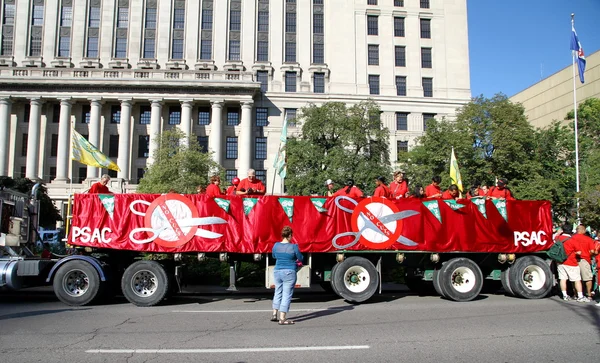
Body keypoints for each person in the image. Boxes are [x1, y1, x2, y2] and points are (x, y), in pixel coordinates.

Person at [271, 226, 303, 325]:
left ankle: (274, 314)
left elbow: (274, 256)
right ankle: (282, 318)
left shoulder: (276, 245)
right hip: (289, 272)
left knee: (278, 292)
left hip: (277, 271)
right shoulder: (294, 247)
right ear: (289, 235)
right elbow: (300, 258)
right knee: (286, 295)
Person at [555, 224, 589, 303]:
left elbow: (555, 236)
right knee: (577, 280)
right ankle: (580, 296)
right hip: (571, 262)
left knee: (563, 279)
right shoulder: (572, 240)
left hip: (560, 262)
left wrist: (559, 232)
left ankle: (565, 295)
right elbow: (579, 252)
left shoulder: (558, 238)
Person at [571, 224, 597, 299]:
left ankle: (576, 294)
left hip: (573, 260)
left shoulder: (572, 238)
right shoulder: (588, 239)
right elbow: (592, 251)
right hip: (584, 260)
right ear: (583, 230)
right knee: (587, 278)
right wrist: (589, 254)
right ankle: (589, 294)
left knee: (575, 278)